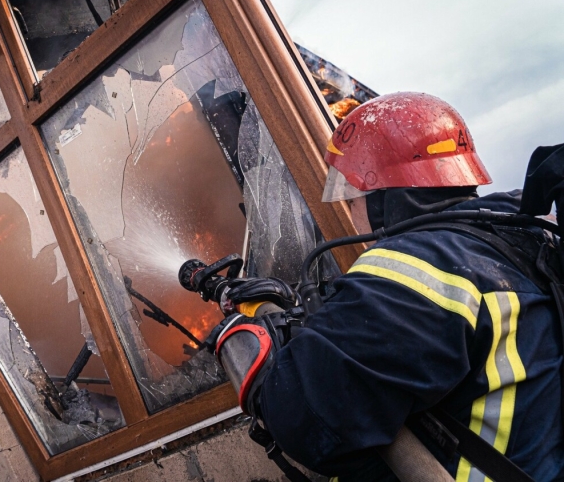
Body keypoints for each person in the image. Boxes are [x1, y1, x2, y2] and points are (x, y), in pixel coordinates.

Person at [209, 92, 564, 480]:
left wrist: (252, 353)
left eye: (353, 199)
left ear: (384, 200)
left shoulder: (412, 269)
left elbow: (305, 421)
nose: (349, 213)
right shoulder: (517, 234)